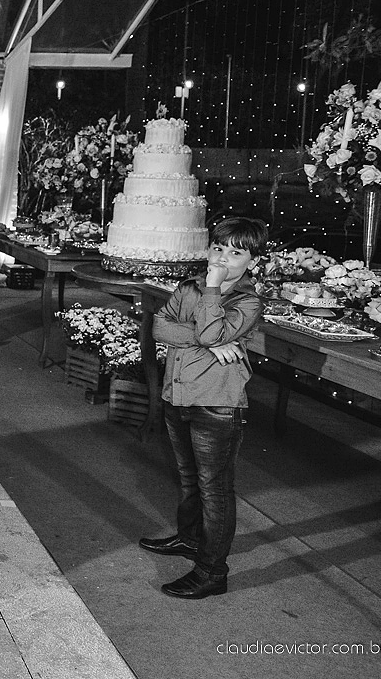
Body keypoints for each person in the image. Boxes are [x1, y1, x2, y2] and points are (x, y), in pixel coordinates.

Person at [142, 217, 268, 600]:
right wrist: (210, 343)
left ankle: (213, 571)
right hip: (177, 395)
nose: (223, 258)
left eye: (236, 252)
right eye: (219, 248)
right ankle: (190, 539)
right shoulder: (187, 288)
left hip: (216, 402)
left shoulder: (247, 301)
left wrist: (213, 291)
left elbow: (213, 330)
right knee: (188, 477)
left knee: (215, 488)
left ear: (252, 260)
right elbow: (159, 328)